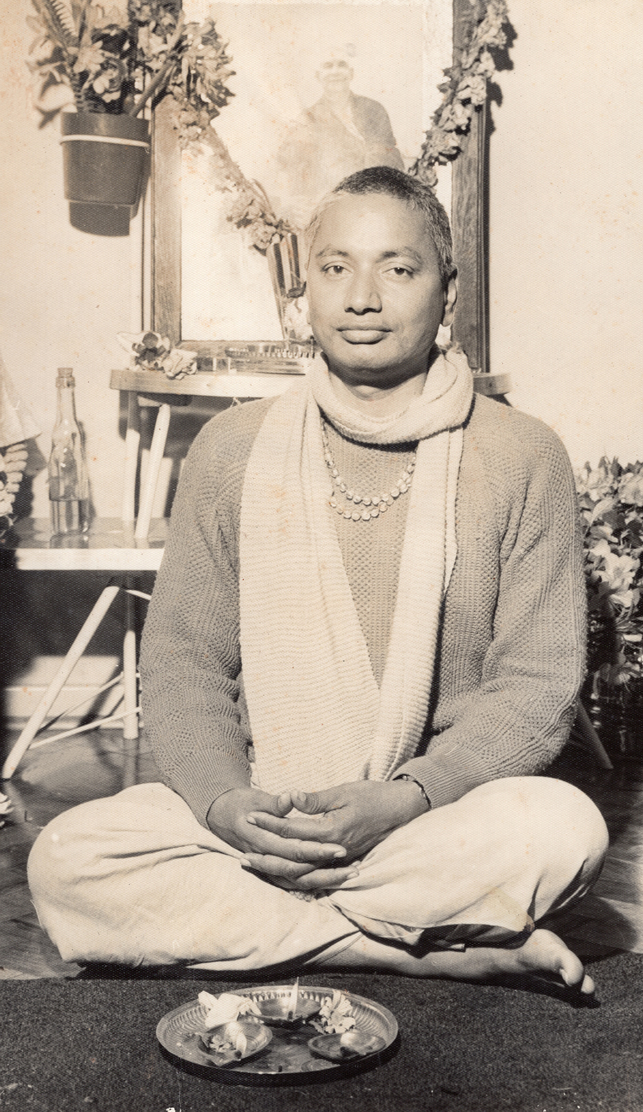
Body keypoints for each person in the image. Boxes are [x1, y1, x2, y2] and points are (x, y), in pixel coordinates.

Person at [28, 167, 608, 997]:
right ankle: (401, 947)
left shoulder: (523, 455)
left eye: (397, 269)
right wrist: (226, 803)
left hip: (427, 820)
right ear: (305, 292)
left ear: (447, 293)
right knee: (67, 857)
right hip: (261, 820)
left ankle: (272, 929)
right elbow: (184, 662)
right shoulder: (231, 448)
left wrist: (408, 799)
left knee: (565, 830)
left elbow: (537, 686)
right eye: (336, 268)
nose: (361, 298)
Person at [274, 49, 405, 229]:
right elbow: (289, 167)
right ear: (318, 76)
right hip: (328, 212)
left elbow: (388, 159)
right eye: (328, 66)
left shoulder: (373, 110)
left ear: (351, 73)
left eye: (341, 65)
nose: (335, 72)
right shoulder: (307, 119)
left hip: (371, 206)